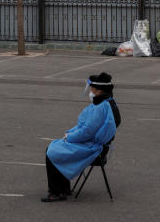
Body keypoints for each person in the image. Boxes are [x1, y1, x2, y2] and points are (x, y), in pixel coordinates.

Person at [42, 72, 121, 202]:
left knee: (52, 151)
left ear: (99, 91)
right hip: (92, 143)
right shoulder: (107, 102)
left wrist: (70, 137)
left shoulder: (101, 107)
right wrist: (70, 134)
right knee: (55, 147)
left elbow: (87, 131)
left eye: (92, 89)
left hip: (94, 147)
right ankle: (63, 188)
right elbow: (84, 126)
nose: (90, 91)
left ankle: (57, 191)